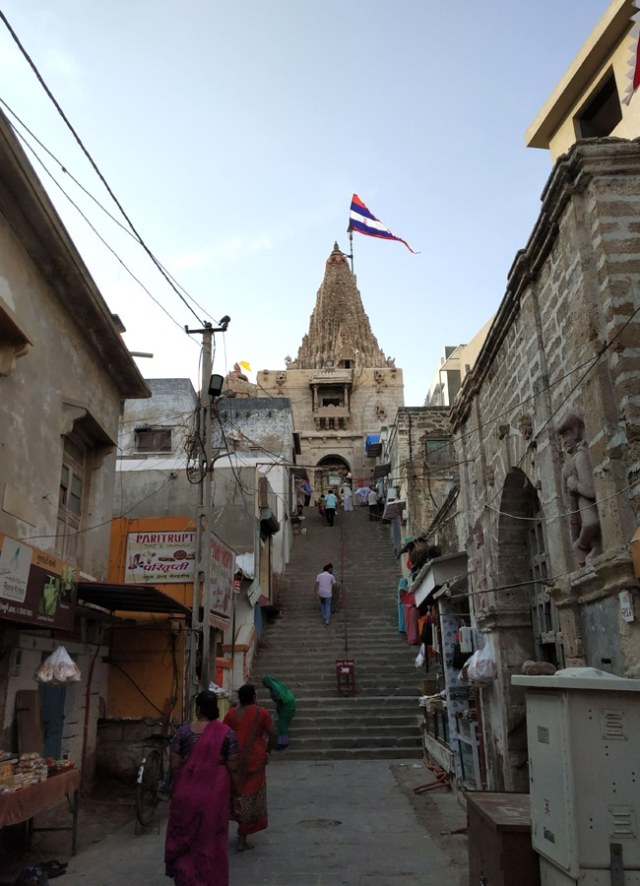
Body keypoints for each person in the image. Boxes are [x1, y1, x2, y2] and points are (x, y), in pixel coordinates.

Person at [165, 690, 240, 886]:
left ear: (197, 709)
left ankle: (186, 878)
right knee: (210, 840)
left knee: (185, 841)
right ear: (215, 708)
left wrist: (179, 786)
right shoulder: (227, 734)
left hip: (185, 793)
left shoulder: (183, 731)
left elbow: (174, 764)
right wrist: (238, 794)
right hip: (213, 796)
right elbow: (233, 767)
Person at [223, 684, 276, 852]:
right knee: (250, 797)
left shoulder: (231, 714)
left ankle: (242, 831)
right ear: (254, 696)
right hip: (255, 760)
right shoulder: (262, 713)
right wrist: (268, 749)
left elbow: (224, 734)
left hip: (235, 760)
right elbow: (273, 733)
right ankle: (243, 836)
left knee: (239, 794)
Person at [557, 413, 601, 567]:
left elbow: (591, 491)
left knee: (591, 523)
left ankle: (585, 545)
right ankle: (588, 547)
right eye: (562, 438)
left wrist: (575, 485)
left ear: (575, 434)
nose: (564, 441)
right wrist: (569, 507)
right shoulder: (565, 467)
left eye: (567, 435)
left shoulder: (580, 458)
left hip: (584, 501)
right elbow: (563, 495)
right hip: (574, 511)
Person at [262, 675, 297, 750]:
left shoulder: (275, 690)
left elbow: (280, 701)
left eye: (264, 684)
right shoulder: (278, 684)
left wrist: (279, 709)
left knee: (282, 726)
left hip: (287, 706)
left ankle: (283, 744)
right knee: (282, 725)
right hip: (290, 702)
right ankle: (283, 743)